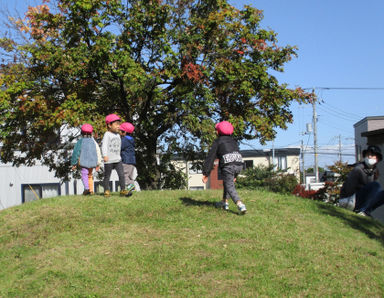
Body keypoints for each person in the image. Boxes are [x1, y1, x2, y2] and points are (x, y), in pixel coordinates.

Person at [202, 121, 247, 214]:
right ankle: (224, 202)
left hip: (228, 166)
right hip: (239, 164)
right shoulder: (234, 141)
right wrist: (236, 175)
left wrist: (206, 173)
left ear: (218, 132)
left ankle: (240, 204)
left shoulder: (218, 142)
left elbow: (211, 157)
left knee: (229, 185)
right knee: (227, 182)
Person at [339, 145, 384, 216]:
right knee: (375, 185)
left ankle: (365, 212)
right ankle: (362, 210)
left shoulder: (374, 172)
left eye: (372, 155)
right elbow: (349, 190)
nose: (369, 157)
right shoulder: (358, 169)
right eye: (368, 155)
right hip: (349, 199)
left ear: (378, 159)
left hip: (359, 200)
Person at [101, 114, 129, 197]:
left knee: (121, 175)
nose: (118, 126)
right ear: (109, 125)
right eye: (116, 124)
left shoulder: (118, 135)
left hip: (117, 159)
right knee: (107, 176)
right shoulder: (107, 134)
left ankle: (123, 190)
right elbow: (104, 145)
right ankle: (106, 190)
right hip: (109, 160)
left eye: (119, 124)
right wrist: (104, 155)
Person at [71, 123, 101, 195]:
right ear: (91, 133)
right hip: (92, 162)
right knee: (90, 175)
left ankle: (87, 188)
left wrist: (74, 163)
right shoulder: (93, 142)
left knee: (84, 174)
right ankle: (91, 190)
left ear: (81, 133)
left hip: (83, 161)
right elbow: (98, 152)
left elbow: (76, 152)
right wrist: (98, 163)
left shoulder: (80, 141)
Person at [120, 122, 137, 195]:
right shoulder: (131, 139)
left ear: (125, 132)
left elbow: (119, 148)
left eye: (121, 131)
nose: (119, 132)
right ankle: (132, 189)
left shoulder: (124, 140)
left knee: (124, 175)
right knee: (130, 176)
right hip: (132, 161)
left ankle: (130, 187)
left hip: (126, 160)